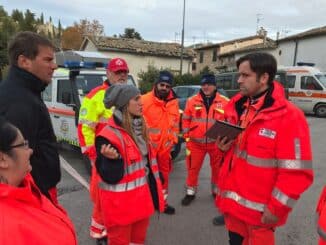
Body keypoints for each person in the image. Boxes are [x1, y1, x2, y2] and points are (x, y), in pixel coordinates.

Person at [215, 52, 313, 244]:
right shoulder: (239, 107)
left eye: (245, 75)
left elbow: (297, 173)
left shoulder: (290, 117)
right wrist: (223, 148)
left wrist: (276, 209)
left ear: (264, 78)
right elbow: (239, 156)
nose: (239, 80)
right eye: (239, 74)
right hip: (234, 210)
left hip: (260, 216)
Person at [95, 84, 164, 245]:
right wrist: (111, 161)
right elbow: (108, 177)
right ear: (125, 104)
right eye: (136, 99)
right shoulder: (108, 135)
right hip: (121, 210)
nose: (142, 103)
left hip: (141, 204)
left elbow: (147, 166)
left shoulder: (141, 128)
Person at [0, 31, 61, 203]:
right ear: (24, 61)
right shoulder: (18, 101)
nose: (54, 66)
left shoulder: (26, 92)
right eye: (48, 60)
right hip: (34, 196)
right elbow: (14, 166)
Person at [0, 117, 77, 244]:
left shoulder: (24, 185)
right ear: (2, 159)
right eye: (23, 145)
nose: (30, 150)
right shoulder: (6, 231)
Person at [77, 57, 129, 243]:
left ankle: (116, 226)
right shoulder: (95, 96)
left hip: (124, 155)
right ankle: (100, 233)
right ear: (108, 73)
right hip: (102, 156)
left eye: (124, 72)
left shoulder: (129, 94)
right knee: (101, 196)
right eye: (118, 72)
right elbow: (84, 127)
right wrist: (92, 154)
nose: (122, 75)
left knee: (120, 194)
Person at [181, 74, 229, 206]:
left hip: (216, 144)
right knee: (192, 168)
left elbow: (229, 121)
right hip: (195, 144)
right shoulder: (192, 100)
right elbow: (185, 120)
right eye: (203, 84)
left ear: (214, 86)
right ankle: (190, 192)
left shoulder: (225, 101)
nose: (206, 87)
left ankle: (215, 191)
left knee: (217, 169)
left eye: (209, 84)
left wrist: (225, 140)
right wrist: (187, 137)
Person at [142, 70, 180, 214]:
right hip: (148, 150)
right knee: (145, 180)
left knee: (164, 178)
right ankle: (146, 205)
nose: (164, 88)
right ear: (156, 84)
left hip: (165, 151)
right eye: (162, 84)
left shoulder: (173, 103)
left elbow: (175, 124)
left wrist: (174, 142)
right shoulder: (144, 100)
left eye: (167, 86)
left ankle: (162, 204)